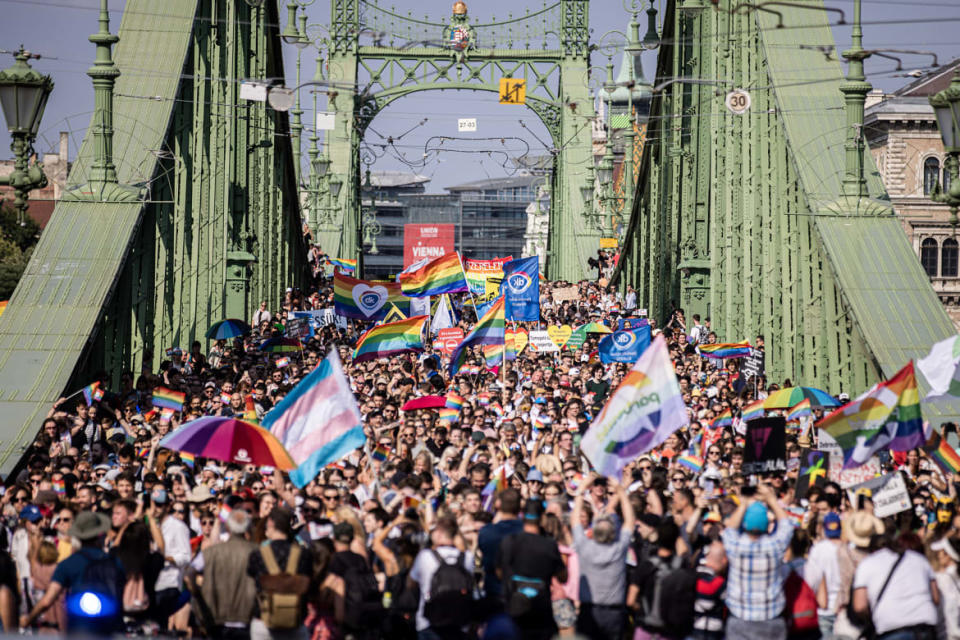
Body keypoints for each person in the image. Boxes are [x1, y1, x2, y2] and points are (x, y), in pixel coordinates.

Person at [20, 511, 125, 635]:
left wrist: (28, 618)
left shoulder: (68, 564)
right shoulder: (114, 561)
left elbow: (47, 600)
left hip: (80, 627)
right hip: (112, 624)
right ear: (98, 533)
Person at [721, 484, 795, 639]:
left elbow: (729, 529)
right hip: (771, 620)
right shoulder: (775, 546)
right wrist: (772, 500)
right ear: (767, 525)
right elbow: (787, 526)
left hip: (740, 619)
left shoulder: (736, 546)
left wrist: (744, 504)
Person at [572, 474, 635, 640]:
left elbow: (575, 521)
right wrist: (621, 491)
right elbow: (630, 521)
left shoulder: (584, 546)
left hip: (589, 612)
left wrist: (581, 491)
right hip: (612, 614)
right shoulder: (619, 548)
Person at [496, 499, 567, 640]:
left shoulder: (508, 541)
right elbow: (563, 577)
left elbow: (499, 573)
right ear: (542, 518)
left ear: (522, 516)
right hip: (540, 614)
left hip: (513, 612)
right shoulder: (549, 545)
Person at [852, 534, 940, 640]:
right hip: (925, 625)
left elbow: (860, 606)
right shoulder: (919, 559)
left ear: (871, 550)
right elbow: (936, 598)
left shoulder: (867, 564)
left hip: (892, 627)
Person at [187, 508, 258, 639]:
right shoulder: (257, 552)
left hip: (217, 618)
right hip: (248, 618)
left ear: (228, 527)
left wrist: (198, 596)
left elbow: (189, 574)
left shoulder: (211, 552)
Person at [408, 516, 475, 640]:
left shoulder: (425, 556)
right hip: (460, 622)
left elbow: (411, 583)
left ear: (438, 533)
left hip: (428, 622)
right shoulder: (467, 557)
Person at [476, 487, 523, 602]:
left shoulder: (486, 532)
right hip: (521, 593)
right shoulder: (527, 531)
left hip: (494, 593)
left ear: (498, 505)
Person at [804, 511, 843, 639]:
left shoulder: (817, 550)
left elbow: (810, 580)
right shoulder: (848, 548)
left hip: (823, 609)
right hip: (842, 608)